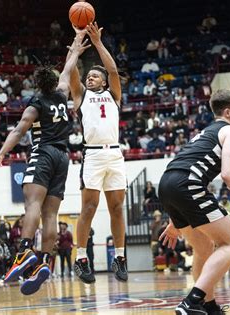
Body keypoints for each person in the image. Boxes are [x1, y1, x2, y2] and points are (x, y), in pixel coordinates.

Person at [0, 33, 90, 295]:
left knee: (32, 204)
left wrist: (0, 154)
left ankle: (23, 253)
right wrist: (76, 45)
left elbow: (18, 132)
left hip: (43, 153)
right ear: (54, 83)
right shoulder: (63, 91)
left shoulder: (35, 104)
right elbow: (68, 68)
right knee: (51, 214)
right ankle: (44, 260)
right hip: (63, 157)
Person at [158, 90, 230, 314]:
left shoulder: (205, 132)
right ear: (228, 112)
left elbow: (181, 169)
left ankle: (209, 307)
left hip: (167, 184)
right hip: (187, 184)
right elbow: (228, 175)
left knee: (203, 249)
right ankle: (192, 301)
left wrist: (175, 218)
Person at [68, 23, 128, 284]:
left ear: (103, 81)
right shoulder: (81, 96)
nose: (90, 78)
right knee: (89, 208)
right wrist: (78, 42)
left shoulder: (114, 94)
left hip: (115, 155)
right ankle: (81, 259)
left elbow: (113, 69)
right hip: (91, 155)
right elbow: (71, 72)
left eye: (94, 76)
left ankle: (120, 257)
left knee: (116, 208)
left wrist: (98, 42)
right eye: (88, 76)